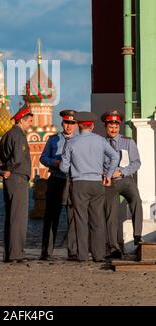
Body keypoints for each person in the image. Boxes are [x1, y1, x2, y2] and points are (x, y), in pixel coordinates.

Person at [60, 111, 119, 262]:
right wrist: (108, 174)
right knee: (98, 219)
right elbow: (115, 156)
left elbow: (63, 168)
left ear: (79, 125)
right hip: (97, 183)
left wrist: (74, 169)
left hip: (79, 183)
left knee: (80, 220)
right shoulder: (100, 141)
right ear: (92, 125)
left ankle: (82, 255)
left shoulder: (72, 143)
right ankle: (99, 255)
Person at [102, 110, 143, 259]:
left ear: (119, 126)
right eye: (110, 126)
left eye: (116, 126)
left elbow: (137, 162)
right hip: (109, 182)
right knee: (111, 213)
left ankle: (137, 235)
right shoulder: (101, 143)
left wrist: (122, 172)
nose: (113, 129)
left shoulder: (128, 141)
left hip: (125, 179)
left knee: (136, 200)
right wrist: (105, 174)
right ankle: (113, 247)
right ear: (106, 126)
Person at [0, 106, 33, 263]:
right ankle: (17, 254)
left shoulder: (6, 135)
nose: (30, 124)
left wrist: (2, 171)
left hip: (10, 179)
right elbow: (18, 158)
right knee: (19, 218)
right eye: (29, 121)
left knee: (11, 216)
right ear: (22, 120)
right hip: (17, 179)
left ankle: (10, 253)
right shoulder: (18, 136)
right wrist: (10, 170)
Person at [39, 109, 78, 261]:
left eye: (72, 123)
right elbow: (43, 158)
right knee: (51, 216)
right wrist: (53, 162)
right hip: (56, 179)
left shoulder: (79, 141)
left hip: (73, 181)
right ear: (62, 123)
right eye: (67, 123)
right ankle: (46, 251)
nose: (69, 126)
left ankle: (73, 251)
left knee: (73, 217)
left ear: (75, 125)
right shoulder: (53, 140)